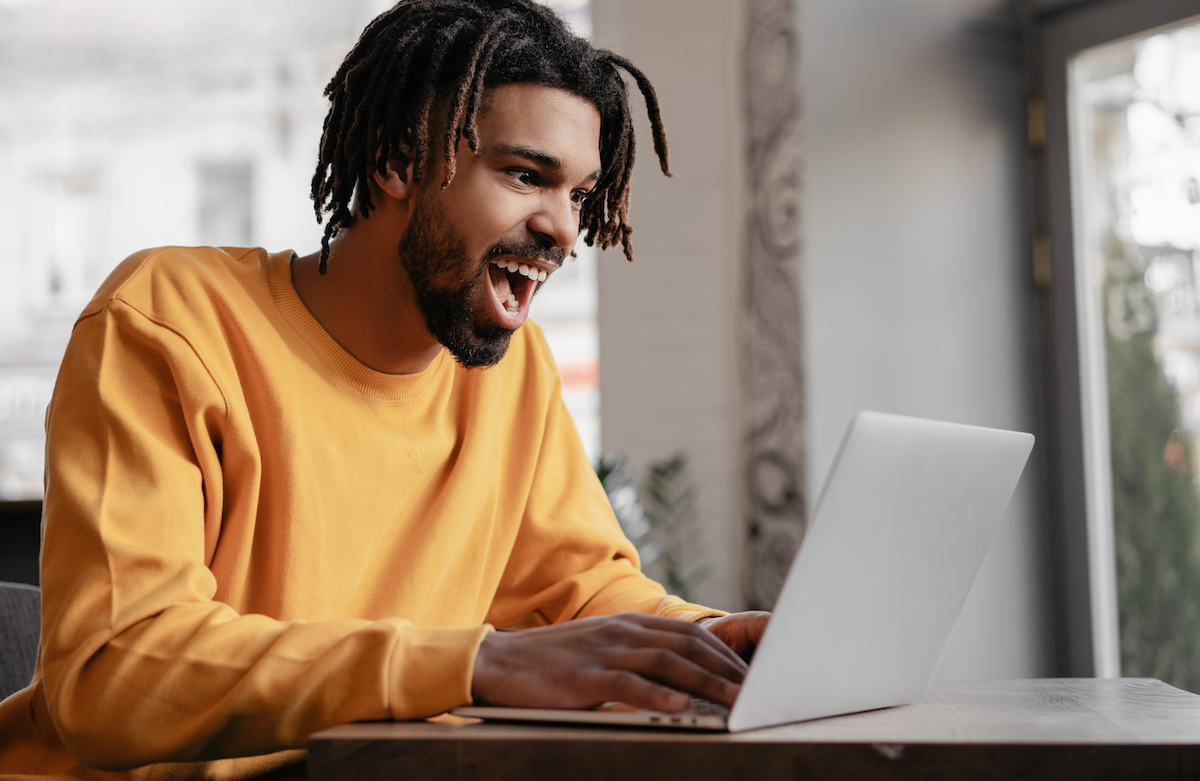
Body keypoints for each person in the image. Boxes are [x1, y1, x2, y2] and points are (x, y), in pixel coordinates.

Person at [0, 1, 768, 778]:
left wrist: (713, 638)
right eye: (525, 174)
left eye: (577, 193)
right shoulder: (171, 320)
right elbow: (114, 672)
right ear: (399, 160)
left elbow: (579, 593)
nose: (564, 228)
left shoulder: (513, 370)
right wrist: (475, 664)